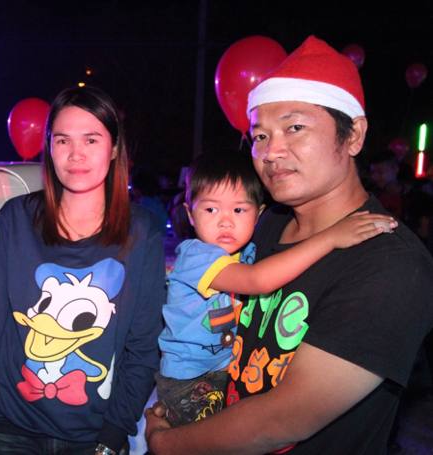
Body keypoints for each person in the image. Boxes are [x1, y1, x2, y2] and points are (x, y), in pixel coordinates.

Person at [146, 35, 433, 454]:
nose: (271, 152)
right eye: (260, 136)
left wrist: (167, 444)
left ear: (353, 135)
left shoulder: (391, 265)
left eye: (295, 128)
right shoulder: (263, 226)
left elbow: (281, 420)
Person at [0, 86, 165, 455]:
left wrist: (111, 438)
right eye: (62, 140)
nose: (76, 154)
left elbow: (143, 347)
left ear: (114, 148)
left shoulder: (142, 232)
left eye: (91, 139)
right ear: (50, 147)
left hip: (95, 438)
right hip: (12, 432)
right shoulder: (16, 220)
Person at [156, 152, 395, 427]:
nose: (225, 221)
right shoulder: (195, 256)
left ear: (258, 214)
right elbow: (258, 280)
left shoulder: (248, 251)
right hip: (189, 377)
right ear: (190, 214)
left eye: (238, 210)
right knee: (204, 441)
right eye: (211, 210)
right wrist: (331, 238)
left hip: (224, 369)